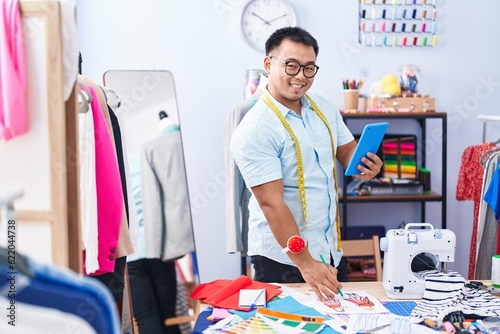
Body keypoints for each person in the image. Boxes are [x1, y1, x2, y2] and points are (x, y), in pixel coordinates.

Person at [230, 26, 383, 301]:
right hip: (284, 260)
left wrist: (365, 165)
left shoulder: (322, 104)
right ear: (268, 64)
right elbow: (271, 203)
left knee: (340, 324)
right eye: (291, 66)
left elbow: (346, 149)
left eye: (309, 68)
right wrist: (305, 263)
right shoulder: (255, 128)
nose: (301, 76)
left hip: (330, 251)